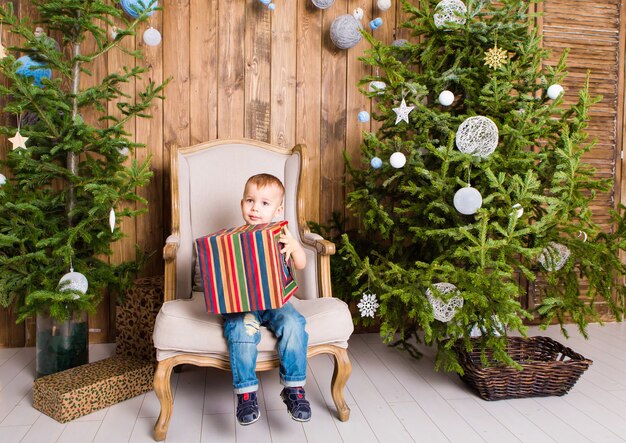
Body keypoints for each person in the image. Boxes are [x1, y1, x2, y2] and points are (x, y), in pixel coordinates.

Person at [223, 173, 311, 425]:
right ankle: (247, 394)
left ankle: (294, 389)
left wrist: (294, 247)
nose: (255, 208)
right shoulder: (232, 238)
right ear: (241, 204)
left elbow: (301, 264)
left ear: (278, 209)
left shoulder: (282, 235)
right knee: (240, 329)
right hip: (244, 305)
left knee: (294, 324)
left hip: (275, 302)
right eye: (250, 200)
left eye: (264, 203)